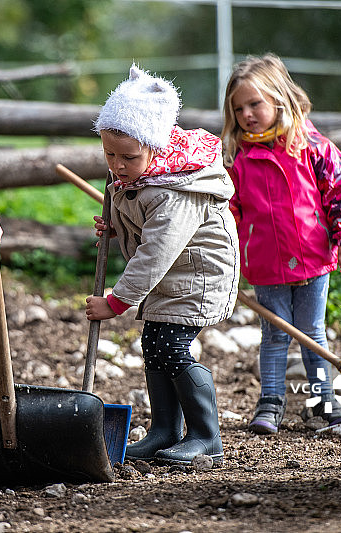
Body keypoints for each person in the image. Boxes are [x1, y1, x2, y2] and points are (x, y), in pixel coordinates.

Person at [86, 65, 239, 466]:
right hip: (170, 278)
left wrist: (116, 301)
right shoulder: (137, 177)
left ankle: (206, 437)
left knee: (171, 347)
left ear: (156, 147)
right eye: (109, 154)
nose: (117, 165)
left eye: (128, 157)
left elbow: (157, 250)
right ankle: (164, 431)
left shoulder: (178, 189)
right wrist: (119, 227)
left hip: (197, 277)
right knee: (154, 347)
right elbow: (144, 223)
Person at [221, 53, 341, 435]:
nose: (247, 114)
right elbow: (228, 209)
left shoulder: (310, 145)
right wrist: (228, 248)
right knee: (275, 334)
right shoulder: (236, 157)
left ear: (280, 99)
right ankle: (271, 402)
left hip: (312, 256)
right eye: (239, 108)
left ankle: (324, 399)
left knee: (312, 331)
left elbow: (339, 190)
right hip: (266, 263)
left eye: (255, 104)